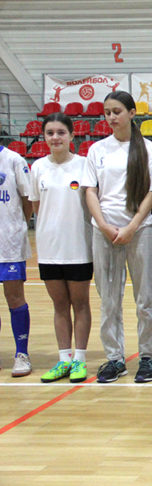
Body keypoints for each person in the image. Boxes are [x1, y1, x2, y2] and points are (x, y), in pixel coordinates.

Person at [81, 90, 152, 383]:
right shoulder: (97, 149)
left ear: (132, 113)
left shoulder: (148, 149)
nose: (111, 117)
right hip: (104, 233)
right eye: (107, 112)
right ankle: (114, 358)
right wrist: (103, 225)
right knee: (109, 300)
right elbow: (90, 190)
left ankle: (147, 357)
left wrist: (132, 226)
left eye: (117, 111)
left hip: (140, 231)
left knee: (145, 299)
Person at [31, 113, 92, 383]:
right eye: (50, 133)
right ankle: (64, 359)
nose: (55, 137)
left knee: (80, 303)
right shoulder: (38, 168)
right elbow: (37, 207)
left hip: (78, 246)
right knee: (59, 305)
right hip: (49, 248)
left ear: (71, 135)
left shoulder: (83, 165)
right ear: (44, 136)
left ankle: (79, 359)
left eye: (60, 132)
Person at [0, 135, 33, 377]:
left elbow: (27, 199)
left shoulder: (13, 160)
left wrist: (17, 226)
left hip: (8, 242)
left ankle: (22, 353)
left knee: (14, 297)